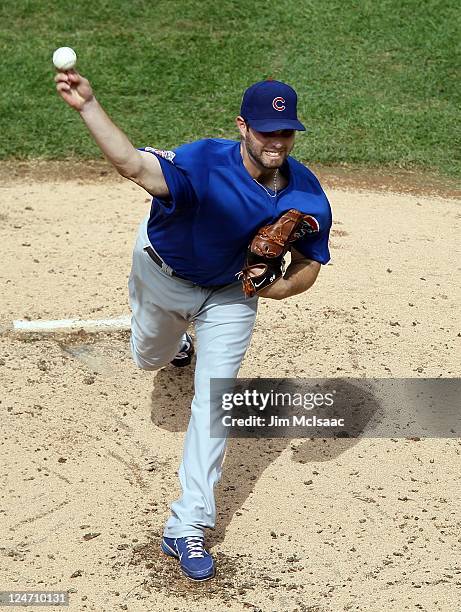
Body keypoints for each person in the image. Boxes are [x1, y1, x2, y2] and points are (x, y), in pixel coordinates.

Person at [54, 71, 332, 581]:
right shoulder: (204, 161)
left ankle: (187, 527)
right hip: (163, 273)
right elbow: (132, 165)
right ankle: (175, 345)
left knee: (215, 401)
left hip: (229, 296)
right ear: (243, 126)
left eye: (286, 132)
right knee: (149, 355)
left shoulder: (308, 195)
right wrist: (88, 106)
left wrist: (275, 289)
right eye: (266, 130)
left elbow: (309, 264)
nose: (276, 142)